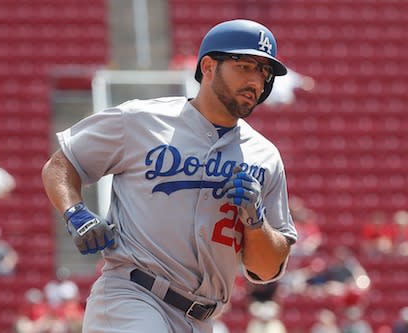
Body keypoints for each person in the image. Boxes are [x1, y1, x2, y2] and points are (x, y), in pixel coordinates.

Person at [41, 19, 297, 333]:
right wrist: (76, 213)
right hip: (133, 297)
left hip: (202, 319)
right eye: (245, 66)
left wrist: (256, 222)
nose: (256, 80)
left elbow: (266, 270)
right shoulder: (141, 120)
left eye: (264, 72)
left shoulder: (264, 156)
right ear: (208, 66)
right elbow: (61, 164)